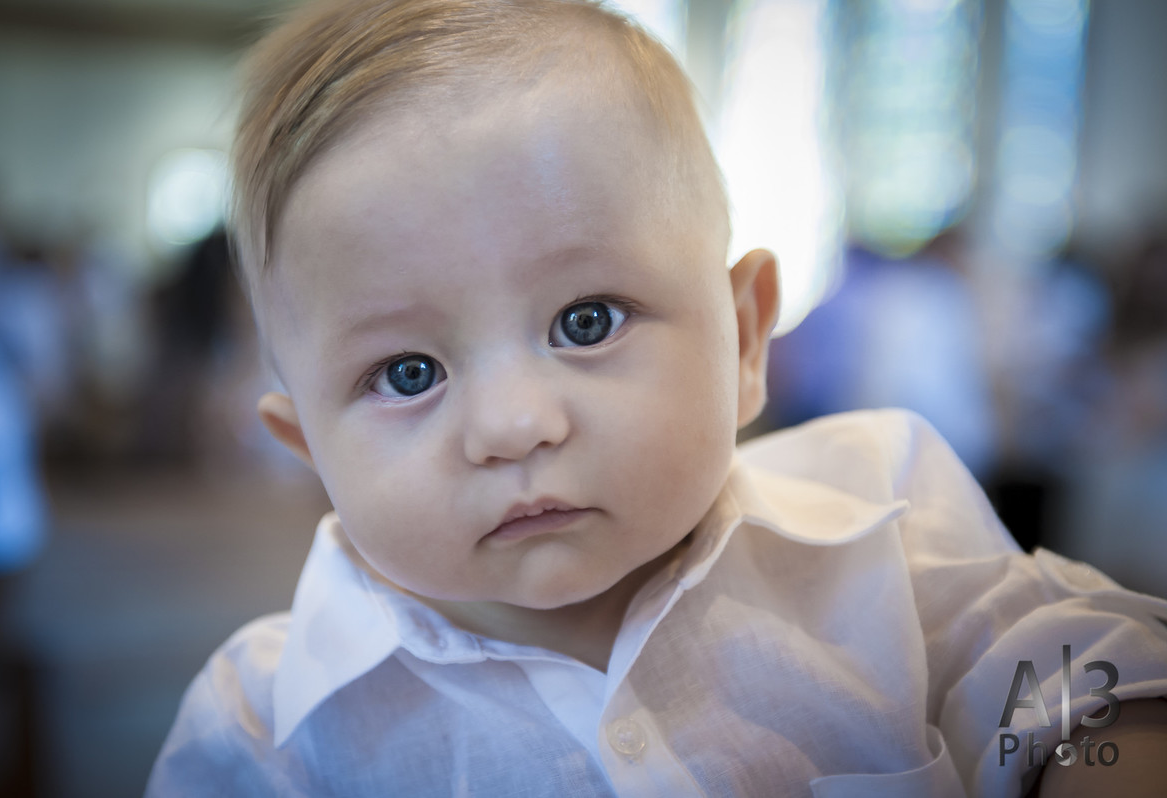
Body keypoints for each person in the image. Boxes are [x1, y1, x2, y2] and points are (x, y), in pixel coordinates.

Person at [147, 1, 1167, 795]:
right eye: (408, 373)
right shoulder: (261, 730)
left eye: (587, 320)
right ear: (308, 448)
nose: (514, 426)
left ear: (743, 336)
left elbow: (1105, 676)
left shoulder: (883, 531)